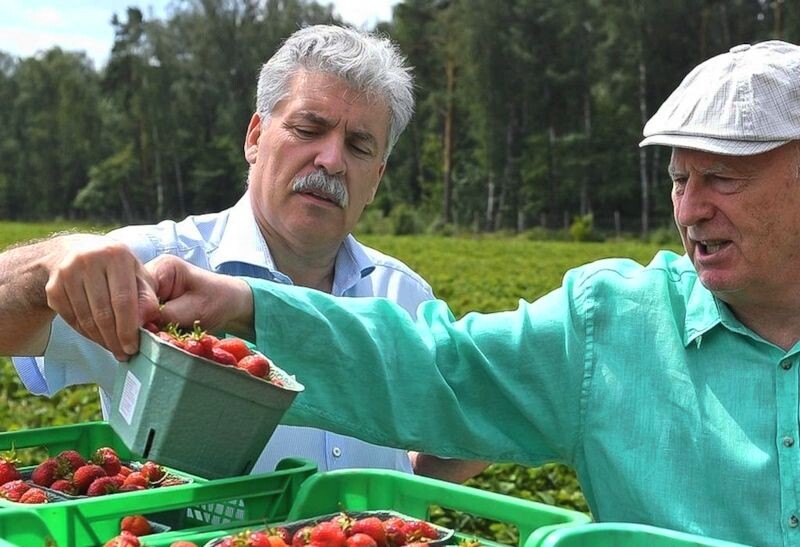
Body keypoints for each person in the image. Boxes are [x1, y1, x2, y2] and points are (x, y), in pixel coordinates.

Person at [133, 40, 800, 546]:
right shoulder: (613, 323)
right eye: (680, 180)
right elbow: (437, 366)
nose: (691, 210)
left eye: (722, 178)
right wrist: (248, 307)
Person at [0, 25, 486, 482]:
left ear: (376, 179)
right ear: (255, 138)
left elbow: (464, 425)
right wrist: (51, 262)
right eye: (308, 129)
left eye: (359, 147)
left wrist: (404, 487)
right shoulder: (151, 267)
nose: (332, 160)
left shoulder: (403, 295)